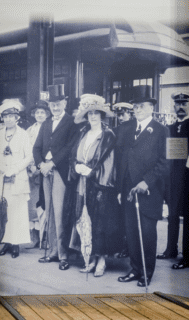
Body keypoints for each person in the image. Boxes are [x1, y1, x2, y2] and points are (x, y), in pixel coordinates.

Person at [116, 85, 170, 287]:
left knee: (147, 233)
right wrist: (121, 189)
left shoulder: (161, 130)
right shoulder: (127, 128)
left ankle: (147, 273)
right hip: (128, 191)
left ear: (150, 108)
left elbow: (166, 162)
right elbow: (122, 160)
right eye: (135, 107)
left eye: (141, 107)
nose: (137, 110)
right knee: (131, 232)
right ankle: (135, 269)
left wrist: (146, 181)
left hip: (149, 191)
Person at [67, 94, 120, 277]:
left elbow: (110, 163)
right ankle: (89, 258)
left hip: (100, 187)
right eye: (90, 114)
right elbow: (73, 155)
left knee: (100, 223)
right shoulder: (83, 133)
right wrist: (76, 166)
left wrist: (92, 172)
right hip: (82, 185)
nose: (93, 117)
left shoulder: (108, 135)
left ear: (102, 116)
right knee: (84, 220)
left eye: (97, 113)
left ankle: (101, 260)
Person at [33, 84, 78, 270]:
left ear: (65, 102)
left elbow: (70, 148)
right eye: (52, 104)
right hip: (46, 172)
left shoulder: (71, 122)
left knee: (59, 213)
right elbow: (36, 148)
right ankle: (52, 252)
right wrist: (41, 164)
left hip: (60, 171)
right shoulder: (46, 123)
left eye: (58, 103)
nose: (55, 107)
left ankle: (63, 254)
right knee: (49, 212)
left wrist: (52, 163)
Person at [0, 99, 32, 258]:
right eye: (6, 117)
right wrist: (2, 168)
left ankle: (15, 244)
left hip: (17, 178)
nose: (8, 119)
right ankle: (4, 242)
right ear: (2, 118)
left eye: (12, 116)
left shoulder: (23, 134)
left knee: (16, 211)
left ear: (17, 117)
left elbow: (29, 157)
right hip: (1, 178)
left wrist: (14, 170)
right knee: (2, 212)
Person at [157, 91, 189, 269]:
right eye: (177, 104)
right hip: (171, 180)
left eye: (183, 104)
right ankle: (171, 249)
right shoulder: (169, 128)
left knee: (187, 219)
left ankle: (187, 257)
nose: (180, 107)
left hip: (187, 180)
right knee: (171, 216)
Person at [26, 100, 51, 249]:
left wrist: (40, 166)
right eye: (37, 112)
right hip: (31, 171)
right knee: (32, 204)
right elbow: (27, 150)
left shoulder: (49, 128)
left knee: (45, 203)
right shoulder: (29, 130)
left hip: (44, 169)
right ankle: (34, 237)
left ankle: (45, 237)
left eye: (42, 112)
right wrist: (30, 167)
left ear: (47, 114)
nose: (39, 115)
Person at [112, 101, 134, 259]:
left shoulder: (135, 129)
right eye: (118, 114)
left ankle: (129, 247)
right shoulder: (114, 130)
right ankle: (120, 245)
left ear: (130, 113)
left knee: (129, 214)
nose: (121, 117)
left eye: (124, 114)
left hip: (129, 176)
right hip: (116, 175)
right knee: (118, 214)